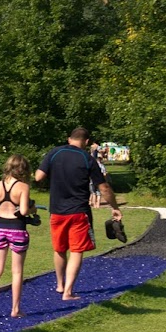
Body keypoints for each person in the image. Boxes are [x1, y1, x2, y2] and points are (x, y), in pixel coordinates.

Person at [35, 128, 122, 300]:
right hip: (78, 212)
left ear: (69, 139)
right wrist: (115, 206)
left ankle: (59, 285)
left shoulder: (54, 153)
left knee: (59, 249)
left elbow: (38, 177)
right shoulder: (87, 158)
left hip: (57, 211)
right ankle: (68, 291)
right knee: (76, 250)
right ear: (87, 142)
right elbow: (103, 187)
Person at [0, 154, 35, 318]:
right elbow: (24, 211)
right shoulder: (23, 187)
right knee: (17, 271)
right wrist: (34, 210)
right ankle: (15, 309)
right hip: (17, 229)